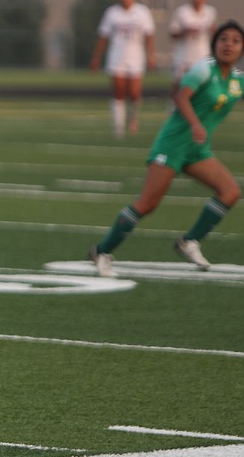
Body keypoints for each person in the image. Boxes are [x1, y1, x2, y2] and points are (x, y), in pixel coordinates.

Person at [89, 21, 243, 278]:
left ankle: (189, 241)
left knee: (230, 192)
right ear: (214, 43)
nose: (228, 44)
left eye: (236, 41)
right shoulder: (204, 69)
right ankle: (102, 251)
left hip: (197, 150)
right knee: (147, 204)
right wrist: (195, 124)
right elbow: (181, 96)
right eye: (223, 38)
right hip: (173, 144)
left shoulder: (237, 80)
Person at [90, 0, 157, 138]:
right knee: (118, 92)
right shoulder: (112, 13)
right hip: (116, 56)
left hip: (136, 57)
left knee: (134, 92)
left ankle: (133, 118)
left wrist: (151, 55)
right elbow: (103, 37)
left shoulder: (142, 12)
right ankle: (118, 128)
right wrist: (96, 58)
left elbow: (149, 35)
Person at [168, 0, 216, 99]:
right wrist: (186, 31)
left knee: (201, 86)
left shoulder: (210, 12)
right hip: (183, 54)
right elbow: (172, 33)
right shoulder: (182, 11)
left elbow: (213, 30)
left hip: (202, 55)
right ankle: (173, 110)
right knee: (179, 85)